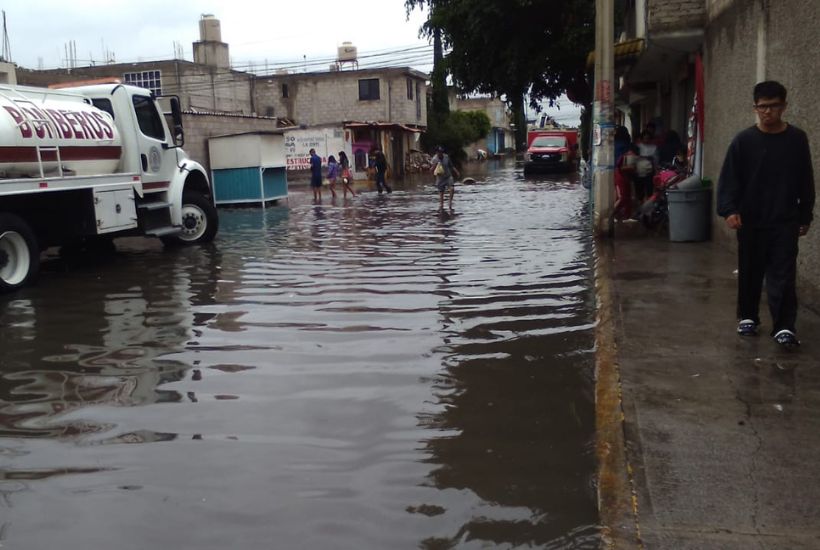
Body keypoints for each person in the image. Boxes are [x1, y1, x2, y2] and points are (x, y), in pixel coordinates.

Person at [717, 80, 815, 347]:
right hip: (750, 219)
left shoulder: (796, 139)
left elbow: (805, 179)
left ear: (783, 106)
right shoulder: (744, 141)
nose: (767, 112)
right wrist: (729, 210)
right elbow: (729, 179)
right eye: (762, 107)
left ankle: (784, 326)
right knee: (750, 269)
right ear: (755, 108)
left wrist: (805, 215)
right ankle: (748, 316)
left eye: (773, 106)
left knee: (783, 273)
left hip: (785, 218)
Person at [614, 143, 639, 221]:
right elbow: (621, 168)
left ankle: (627, 216)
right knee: (622, 197)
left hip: (625, 178)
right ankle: (612, 215)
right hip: (621, 178)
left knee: (627, 198)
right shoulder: (628, 156)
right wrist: (632, 168)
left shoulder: (626, 156)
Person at [634, 130, 658, 202]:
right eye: (645, 138)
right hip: (639, 171)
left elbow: (656, 160)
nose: (646, 140)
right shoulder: (637, 147)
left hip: (649, 172)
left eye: (648, 138)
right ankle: (640, 203)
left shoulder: (654, 147)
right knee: (639, 190)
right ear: (642, 139)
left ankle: (648, 205)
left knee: (649, 189)